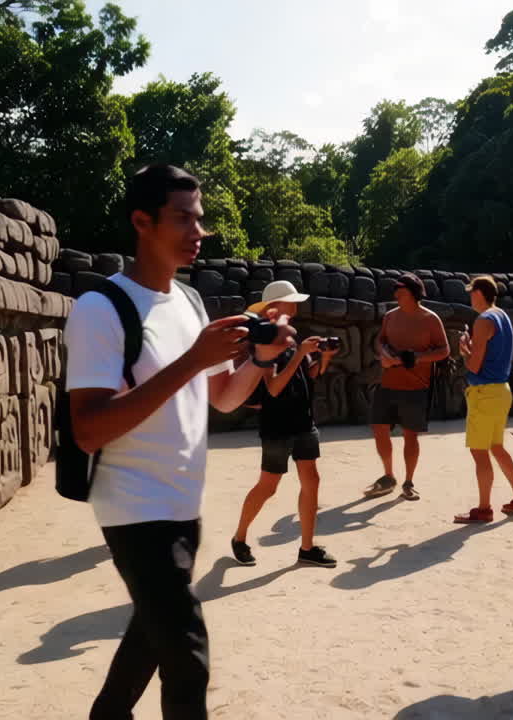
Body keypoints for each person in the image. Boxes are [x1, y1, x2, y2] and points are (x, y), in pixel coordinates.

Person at [66, 164, 295, 720]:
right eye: (183, 219)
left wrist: (259, 362)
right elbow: (88, 428)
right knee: (187, 659)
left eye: (200, 219)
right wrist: (192, 358)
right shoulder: (101, 310)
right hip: (134, 509)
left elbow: (219, 397)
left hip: (182, 504)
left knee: (151, 634)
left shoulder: (189, 304)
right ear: (142, 222)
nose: (199, 231)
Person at [230, 281, 340, 568]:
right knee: (268, 487)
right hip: (277, 425)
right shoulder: (265, 341)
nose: (296, 306)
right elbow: (275, 388)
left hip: (304, 421)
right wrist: (302, 353)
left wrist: (323, 359)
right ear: (274, 306)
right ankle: (239, 537)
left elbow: (309, 376)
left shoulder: (292, 339)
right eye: (291, 301)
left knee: (312, 481)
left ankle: (307, 548)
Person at [362, 273, 450, 501]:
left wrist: (416, 358)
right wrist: (383, 354)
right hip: (387, 384)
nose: (395, 293)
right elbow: (379, 340)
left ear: (412, 292)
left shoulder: (430, 319)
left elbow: (444, 351)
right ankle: (388, 476)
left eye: (399, 289)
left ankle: (408, 482)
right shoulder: (390, 317)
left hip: (415, 387)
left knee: (410, 436)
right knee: (378, 427)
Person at [454, 275, 513, 523]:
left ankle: (484, 508)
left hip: (484, 392)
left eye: (471, 293)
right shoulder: (502, 316)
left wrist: (465, 351)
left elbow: (474, 366)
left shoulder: (483, 320)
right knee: (496, 446)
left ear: (478, 293)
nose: (469, 298)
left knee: (480, 451)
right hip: (500, 390)